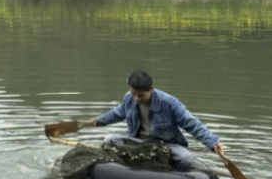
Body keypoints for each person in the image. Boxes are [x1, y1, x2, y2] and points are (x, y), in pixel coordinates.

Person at [88, 70, 224, 171]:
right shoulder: (128, 98)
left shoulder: (169, 103)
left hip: (166, 145)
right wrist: (99, 120)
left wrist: (212, 142)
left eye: (140, 95)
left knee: (185, 159)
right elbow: (117, 113)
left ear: (151, 89)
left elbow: (192, 124)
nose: (136, 98)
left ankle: (167, 175)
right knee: (109, 140)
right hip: (138, 140)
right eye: (133, 94)